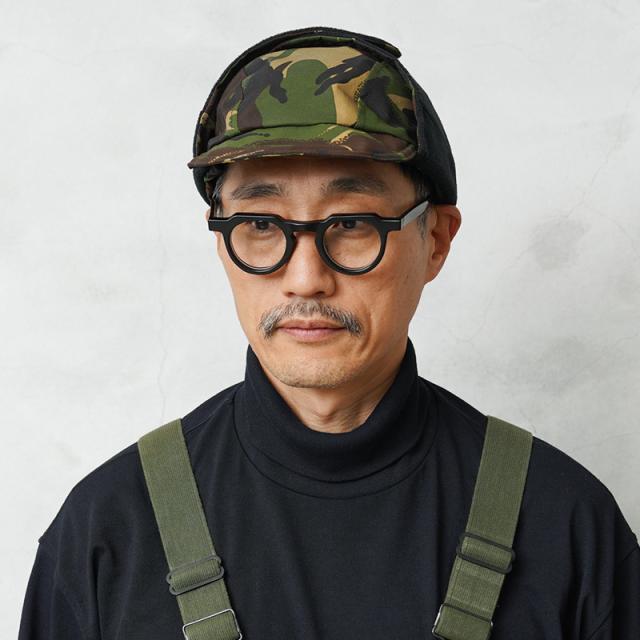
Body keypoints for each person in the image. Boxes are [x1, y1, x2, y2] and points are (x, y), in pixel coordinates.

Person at [18, 26, 639, 640]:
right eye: (261, 224)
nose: (305, 279)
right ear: (221, 241)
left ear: (436, 240)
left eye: (352, 223)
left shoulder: (568, 526)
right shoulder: (106, 531)